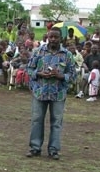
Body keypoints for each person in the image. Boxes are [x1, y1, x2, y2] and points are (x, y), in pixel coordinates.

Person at [26, 27, 75, 160]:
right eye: (51, 37)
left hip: (58, 93)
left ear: (61, 38)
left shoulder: (67, 55)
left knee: (56, 122)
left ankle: (54, 150)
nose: (53, 39)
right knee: (37, 120)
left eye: (56, 37)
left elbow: (73, 75)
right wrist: (39, 73)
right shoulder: (38, 52)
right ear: (47, 37)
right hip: (40, 92)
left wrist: (60, 76)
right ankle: (35, 148)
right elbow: (29, 69)